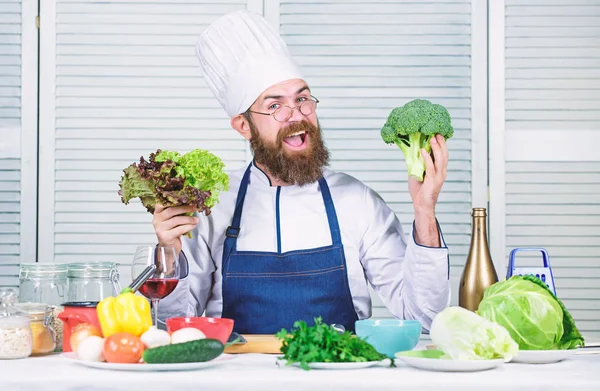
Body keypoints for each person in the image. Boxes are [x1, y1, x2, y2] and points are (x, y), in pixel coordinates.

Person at [154, 10, 450, 334]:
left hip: (338, 376)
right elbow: (170, 325)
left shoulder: (357, 201)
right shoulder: (211, 205)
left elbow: (424, 318)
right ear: (243, 126)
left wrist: (425, 212)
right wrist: (170, 254)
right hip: (238, 378)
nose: (296, 115)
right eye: (274, 106)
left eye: (303, 99)